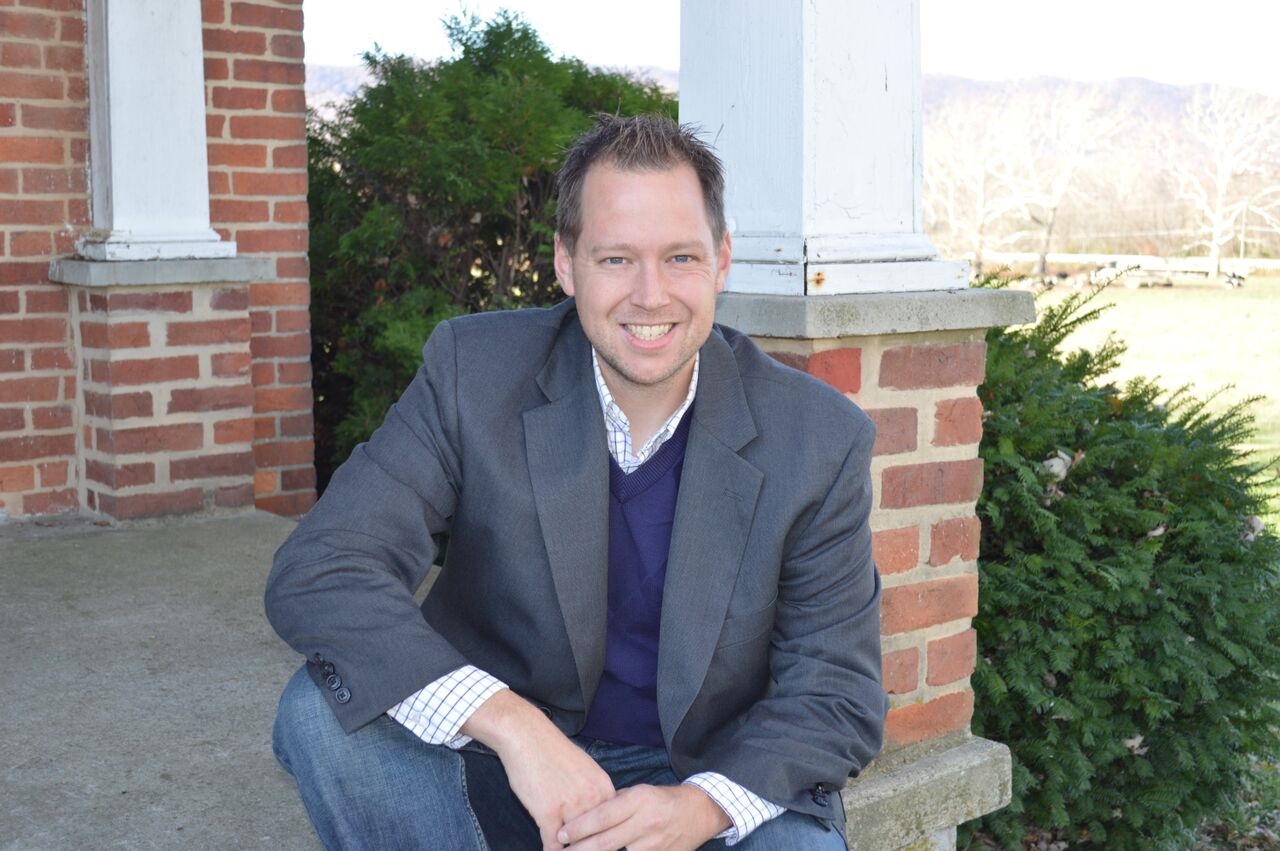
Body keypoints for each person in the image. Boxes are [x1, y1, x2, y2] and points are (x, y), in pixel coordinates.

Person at [266, 113, 886, 851]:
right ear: (566, 263)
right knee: (319, 714)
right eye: (617, 259)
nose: (651, 295)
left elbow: (837, 692)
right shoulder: (476, 373)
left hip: (707, 773)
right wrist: (509, 723)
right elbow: (323, 567)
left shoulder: (817, 437)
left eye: (680, 257)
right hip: (506, 758)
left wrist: (698, 809)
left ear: (722, 261)